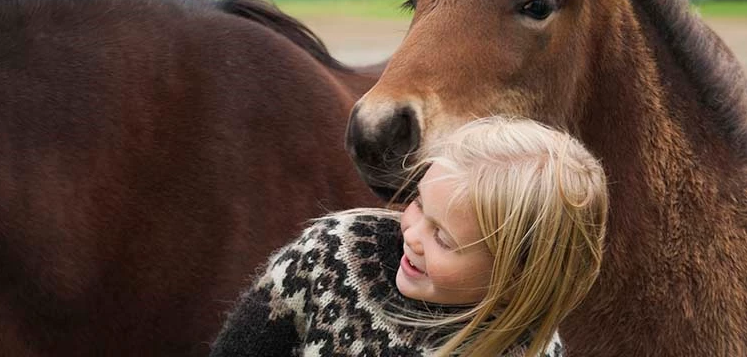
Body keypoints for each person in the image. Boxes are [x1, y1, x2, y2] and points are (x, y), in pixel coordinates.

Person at [209, 116, 608, 357]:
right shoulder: (330, 257)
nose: (413, 236)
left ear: (517, 276)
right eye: (418, 204)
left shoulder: (529, 349)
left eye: (445, 240)